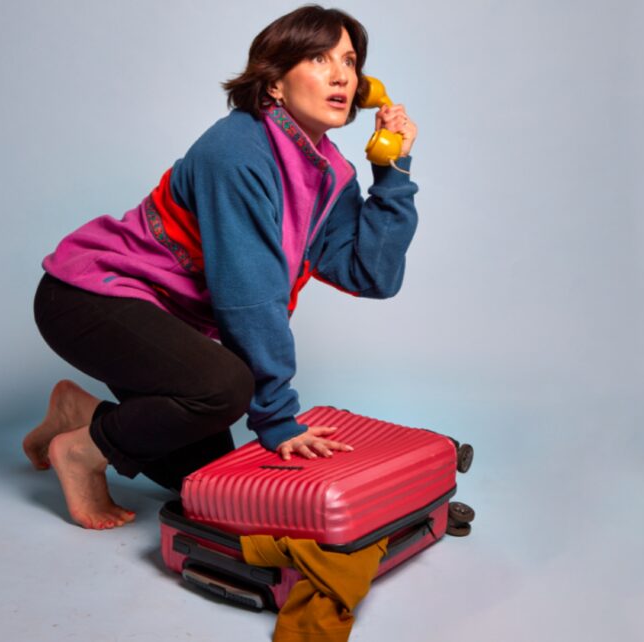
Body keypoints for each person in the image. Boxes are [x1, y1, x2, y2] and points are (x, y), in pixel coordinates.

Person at [23, 5, 419, 530]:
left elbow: (372, 275)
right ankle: (81, 453)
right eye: (319, 58)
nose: (342, 74)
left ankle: (81, 415)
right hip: (85, 297)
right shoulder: (236, 150)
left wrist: (391, 172)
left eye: (349, 61)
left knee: (201, 471)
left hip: (155, 317)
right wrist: (277, 419)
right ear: (274, 82)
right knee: (224, 388)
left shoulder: (330, 172)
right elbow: (248, 297)